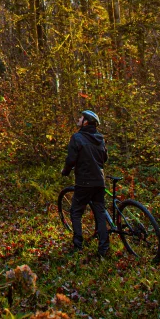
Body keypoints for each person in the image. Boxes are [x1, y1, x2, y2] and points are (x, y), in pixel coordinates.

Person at [61, 110, 110, 257]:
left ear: (86, 122)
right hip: (99, 182)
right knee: (100, 213)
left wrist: (65, 171)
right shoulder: (100, 138)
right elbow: (105, 158)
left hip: (84, 182)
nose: (79, 119)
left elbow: (71, 159)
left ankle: (78, 245)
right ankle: (103, 249)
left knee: (75, 212)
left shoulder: (77, 138)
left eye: (81, 117)